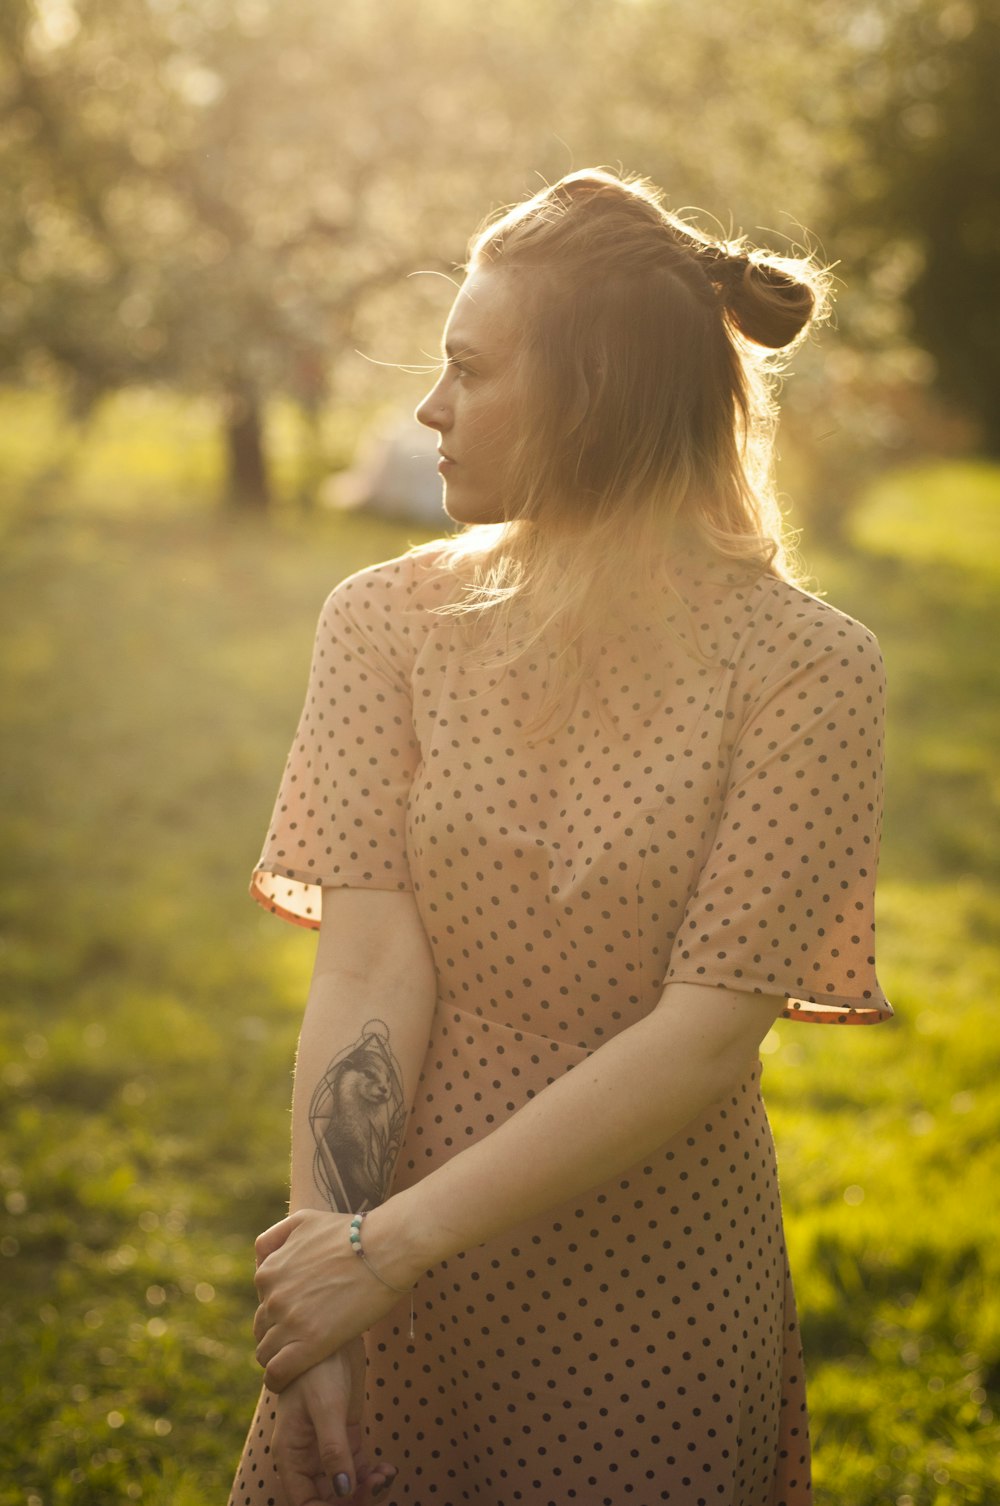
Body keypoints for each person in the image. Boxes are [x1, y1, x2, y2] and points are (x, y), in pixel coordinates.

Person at [227, 168, 891, 1506]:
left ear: (595, 397)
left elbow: (706, 1033)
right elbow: (363, 967)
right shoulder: (383, 622)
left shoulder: (809, 670)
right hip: (391, 1238)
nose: (429, 408)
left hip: (654, 1275)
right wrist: (332, 1258)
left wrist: (390, 1244)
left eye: (469, 368)